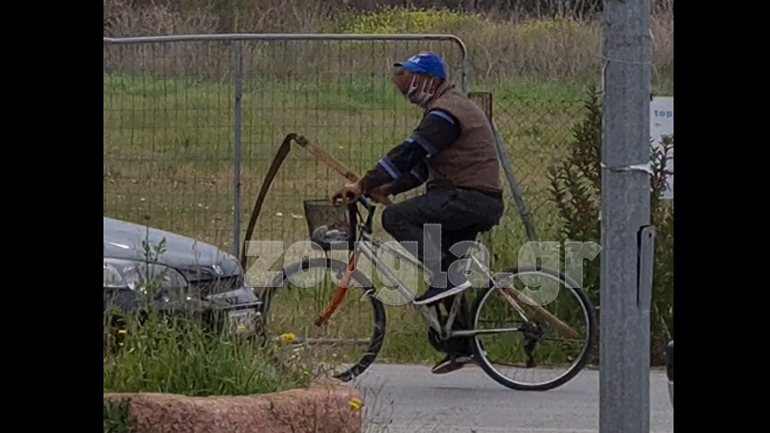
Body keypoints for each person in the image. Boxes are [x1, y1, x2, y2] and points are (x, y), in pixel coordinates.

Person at [332, 51, 505, 374]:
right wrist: (386, 188)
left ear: (431, 79)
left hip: (469, 198)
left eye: (410, 79)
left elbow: (410, 152)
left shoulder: (445, 112)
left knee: (397, 218)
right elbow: (423, 170)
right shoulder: (444, 109)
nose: (406, 87)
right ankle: (461, 346)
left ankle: (441, 281)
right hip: (469, 198)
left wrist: (366, 181)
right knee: (451, 277)